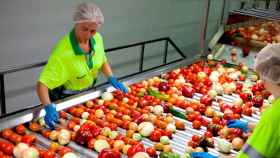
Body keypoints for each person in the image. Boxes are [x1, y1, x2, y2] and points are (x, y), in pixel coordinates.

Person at [36, 2, 128, 130]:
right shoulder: (63, 52)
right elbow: (42, 85)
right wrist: (48, 107)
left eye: (93, 30)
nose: (88, 35)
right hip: (65, 99)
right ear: (76, 23)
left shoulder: (97, 39)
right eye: (85, 29)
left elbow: (102, 59)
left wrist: (111, 77)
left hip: (86, 94)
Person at [191, 44, 280, 158]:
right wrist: (250, 126)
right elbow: (275, 134)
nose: (262, 81)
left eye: (263, 76)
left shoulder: (273, 116)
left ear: (272, 78)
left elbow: (256, 154)